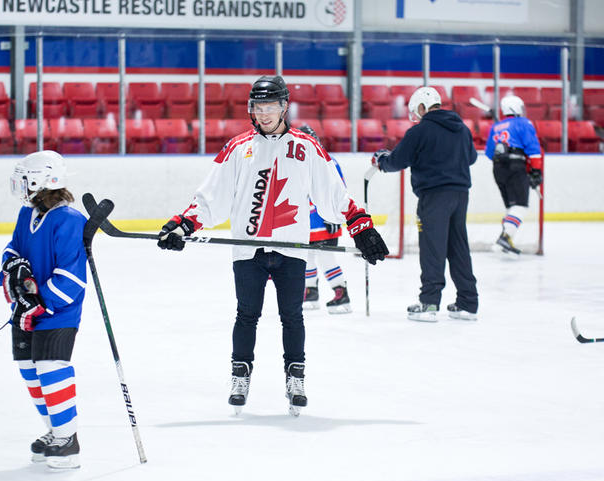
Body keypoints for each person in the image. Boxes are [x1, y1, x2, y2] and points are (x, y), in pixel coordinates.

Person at [157, 76, 388, 416]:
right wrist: (185, 223)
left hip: (291, 247)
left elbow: (332, 193)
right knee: (246, 315)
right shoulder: (238, 147)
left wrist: (359, 224)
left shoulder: (306, 146)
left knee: (292, 317)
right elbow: (212, 196)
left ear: (284, 107)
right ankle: (240, 375)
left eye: (270, 106)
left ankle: (295, 377)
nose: (263, 114)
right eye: (258, 107)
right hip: (248, 248)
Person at [0, 150, 88, 469]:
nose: (20, 187)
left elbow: (72, 277)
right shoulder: (27, 214)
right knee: (28, 368)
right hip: (25, 308)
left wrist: (41, 300)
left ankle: (68, 439)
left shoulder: (71, 220)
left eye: (24, 180)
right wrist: (14, 268)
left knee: (51, 367)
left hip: (59, 312)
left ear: (41, 181)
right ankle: (55, 432)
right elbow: (13, 249)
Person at [371, 86, 478, 322]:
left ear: (422, 107)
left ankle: (429, 303)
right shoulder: (461, 128)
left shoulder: (420, 131)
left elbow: (397, 160)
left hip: (433, 196)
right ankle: (468, 302)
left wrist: (381, 161)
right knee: (457, 246)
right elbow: (471, 157)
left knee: (432, 248)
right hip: (460, 194)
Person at [298, 124, 351, 314]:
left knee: (325, 256)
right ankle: (310, 291)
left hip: (325, 221)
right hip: (307, 224)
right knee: (307, 255)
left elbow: (340, 191)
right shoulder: (299, 164)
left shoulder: (328, 161)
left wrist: (335, 214)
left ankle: (341, 292)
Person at [484, 95, 543, 255]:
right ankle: (505, 237)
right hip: (515, 167)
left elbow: (489, 153)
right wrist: (536, 170)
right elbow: (533, 148)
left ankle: (506, 239)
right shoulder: (524, 123)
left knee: (511, 207)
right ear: (516, 108)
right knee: (520, 206)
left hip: (498, 169)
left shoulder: (496, 126)